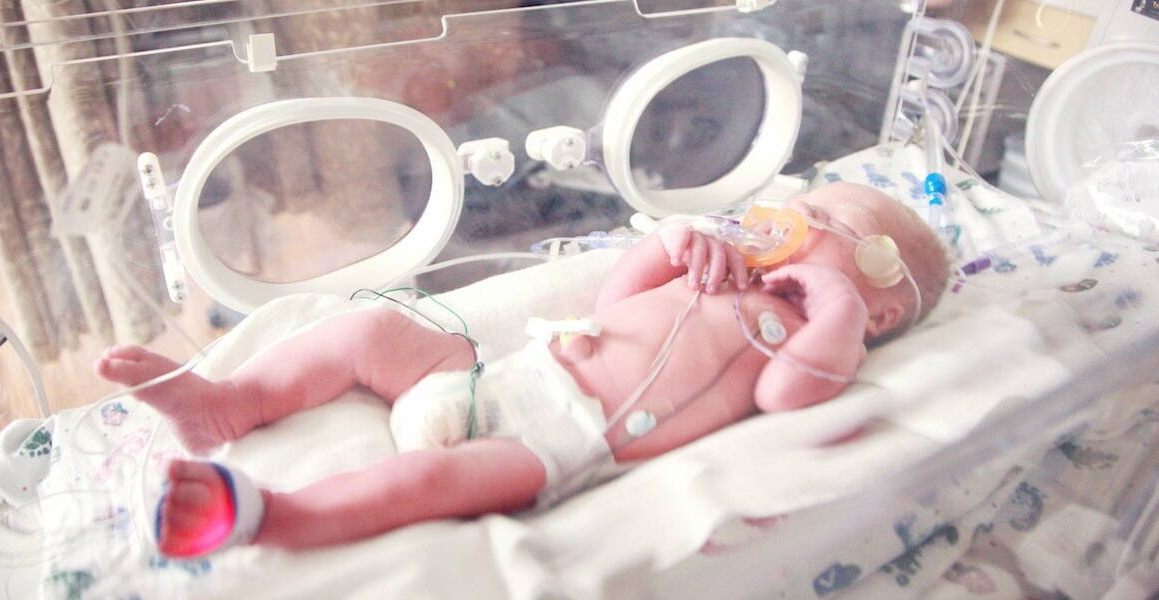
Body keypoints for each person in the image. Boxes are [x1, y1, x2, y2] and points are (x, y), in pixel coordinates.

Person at [96, 182, 950, 557]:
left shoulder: (806, 333)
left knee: (429, 482)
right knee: (375, 331)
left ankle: (273, 516)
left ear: (880, 308)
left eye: (830, 221)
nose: (797, 220)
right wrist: (670, 245)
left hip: (556, 443)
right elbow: (614, 302)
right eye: (800, 206)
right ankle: (231, 402)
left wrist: (834, 311)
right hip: (497, 374)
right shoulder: (724, 273)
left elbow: (788, 395)